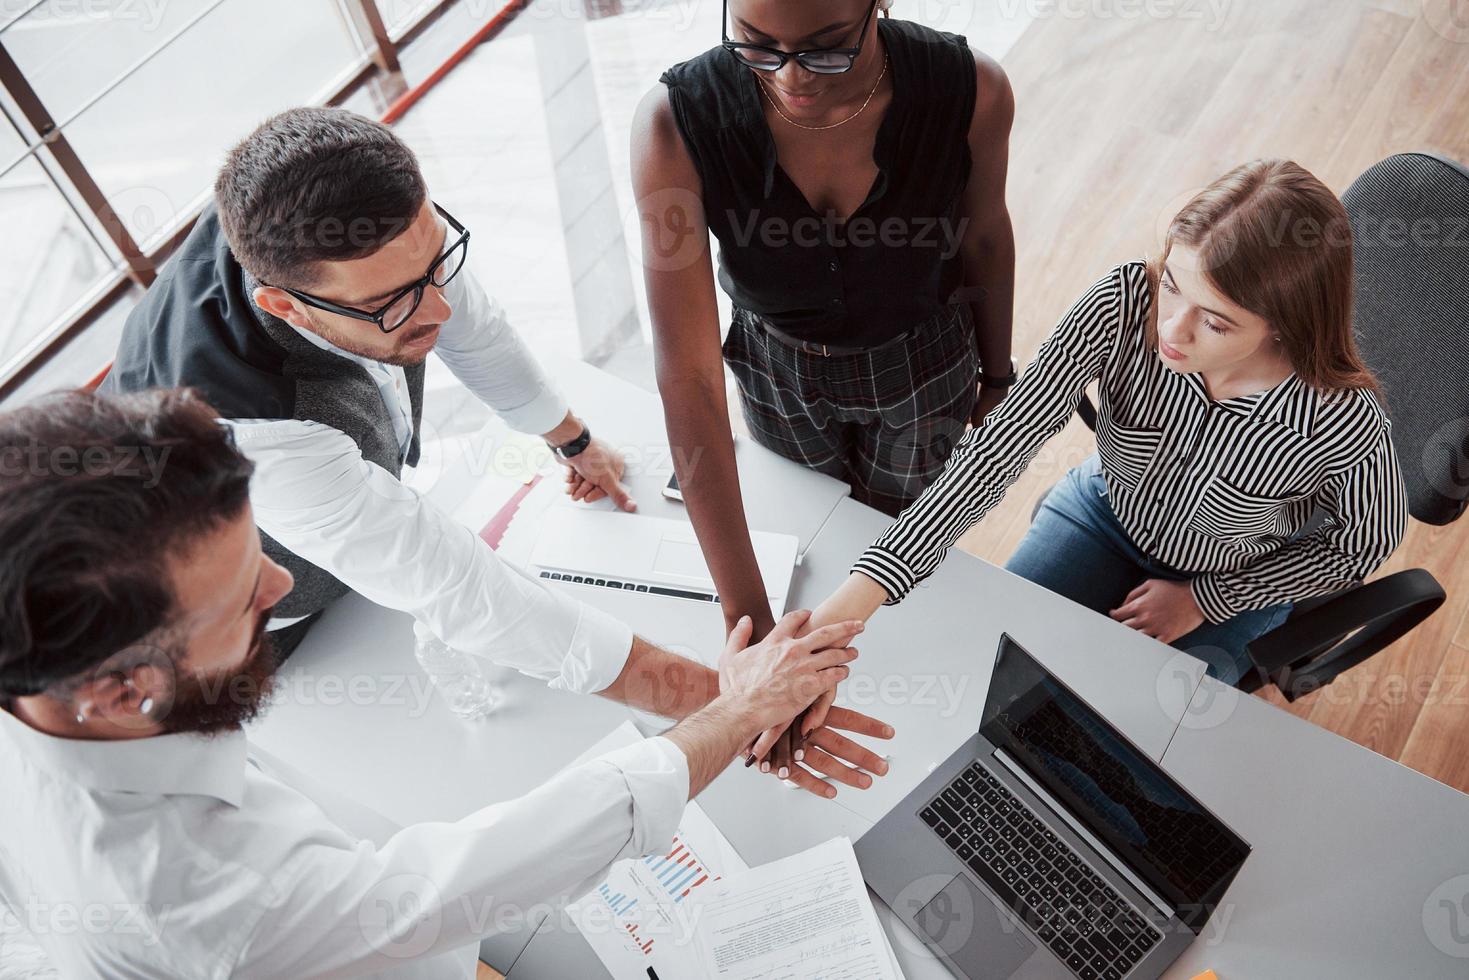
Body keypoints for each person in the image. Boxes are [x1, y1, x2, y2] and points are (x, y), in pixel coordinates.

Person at [0, 388, 892, 978]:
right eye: (240, 599)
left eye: (260, 550)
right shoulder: (194, 901)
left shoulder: (70, 683)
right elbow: (449, 888)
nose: (280, 588)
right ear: (120, 693)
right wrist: (735, 712)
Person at [799, 159, 1408, 708]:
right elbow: (998, 447)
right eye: (1173, 284)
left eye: (1215, 322)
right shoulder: (1123, 301)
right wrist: (854, 600)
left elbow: (1361, 546)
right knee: (983, 676)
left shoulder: (1339, 419)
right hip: (1103, 515)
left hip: (1229, 577)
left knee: (1130, 738)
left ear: (1285, 326)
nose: (1172, 328)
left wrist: (1205, 600)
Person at [632, 0, 1016, 774]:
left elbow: (983, 232)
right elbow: (688, 375)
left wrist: (997, 370)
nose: (793, 78)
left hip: (923, 360)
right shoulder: (673, 125)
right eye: (756, 48)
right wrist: (752, 638)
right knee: (806, 528)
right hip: (776, 370)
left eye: (828, 48)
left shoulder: (970, 89)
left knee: (884, 537)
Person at [103, 106, 635, 659]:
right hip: (244, 614)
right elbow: (457, 587)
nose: (439, 309)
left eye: (435, 265)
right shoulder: (252, 427)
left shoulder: (341, 233)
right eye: (390, 304)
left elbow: (481, 335)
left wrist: (573, 441)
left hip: (342, 528)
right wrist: (706, 702)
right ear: (286, 306)